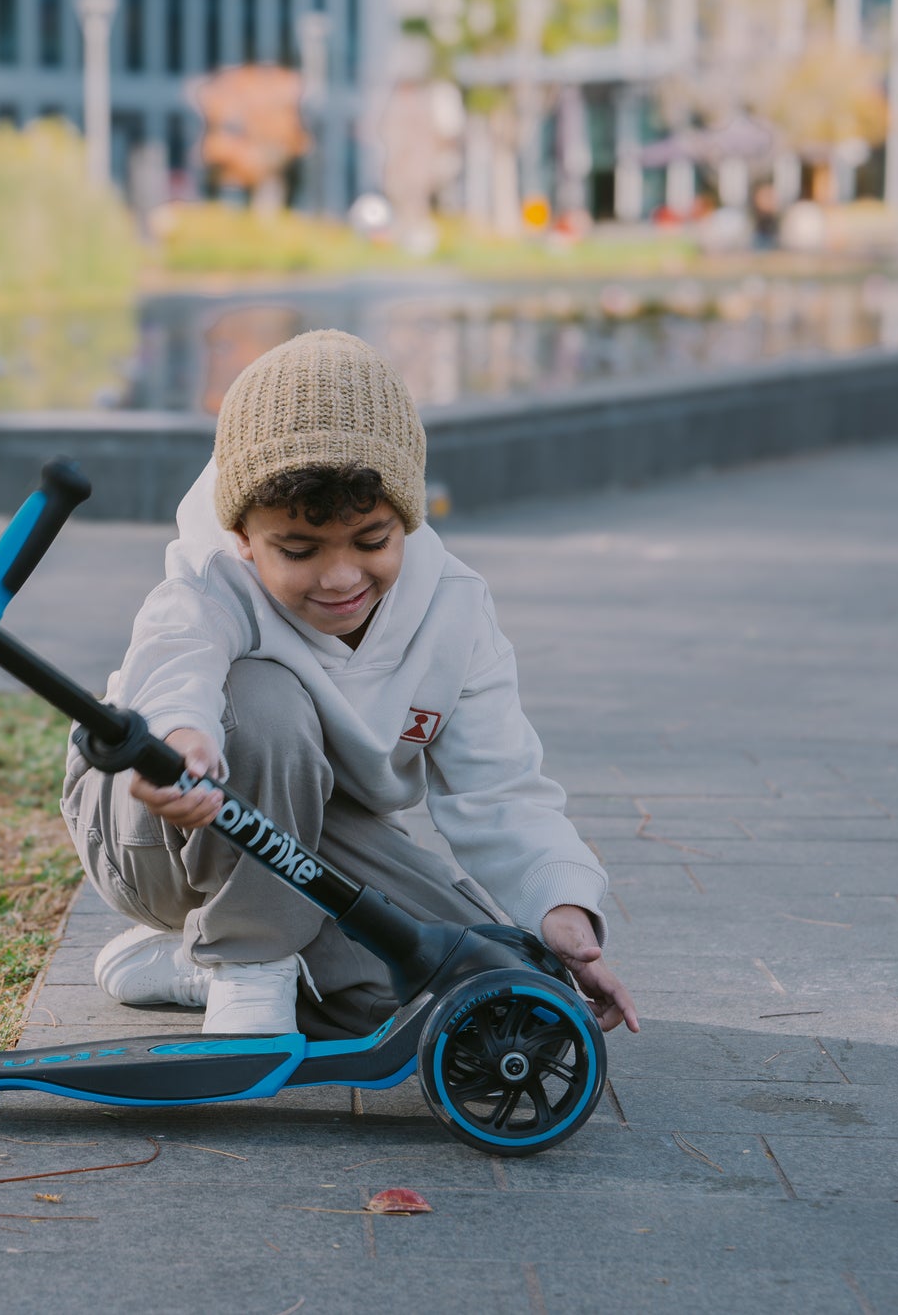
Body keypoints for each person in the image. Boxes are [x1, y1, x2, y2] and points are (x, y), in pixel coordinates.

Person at [61, 329, 640, 1039]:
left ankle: (192, 967)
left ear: (408, 518)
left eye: (371, 541)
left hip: (311, 829)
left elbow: (500, 787)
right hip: (157, 826)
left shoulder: (453, 607)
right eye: (298, 550)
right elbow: (175, 657)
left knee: (467, 981)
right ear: (242, 535)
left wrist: (562, 910)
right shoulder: (212, 577)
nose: (339, 578)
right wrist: (180, 736)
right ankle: (245, 963)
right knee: (261, 700)